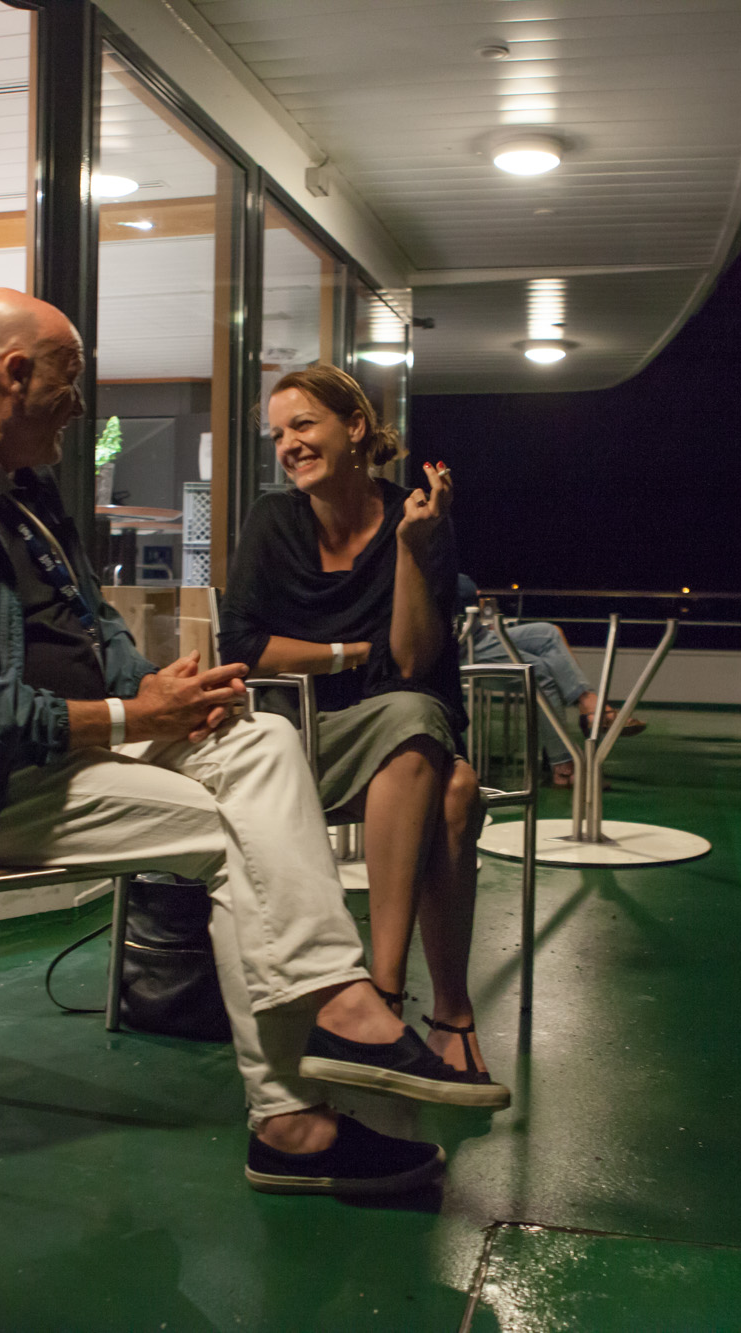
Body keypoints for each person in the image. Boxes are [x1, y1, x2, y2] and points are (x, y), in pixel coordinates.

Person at [0, 289, 496, 1198]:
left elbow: (93, 627)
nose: (80, 402)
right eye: (69, 378)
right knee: (235, 832)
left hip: (87, 747)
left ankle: (341, 1004)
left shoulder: (22, 493)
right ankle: (293, 1117)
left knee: (262, 737)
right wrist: (132, 718)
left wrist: (160, 689)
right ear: (16, 373)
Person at [219, 365, 508, 1109]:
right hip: (297, 741)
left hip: (405, 740)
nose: (287, 444)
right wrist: (350, 653)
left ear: (354, 428)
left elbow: (411, 661)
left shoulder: (418, 518)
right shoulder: (273, 520)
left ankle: (432, 1012)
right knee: (426, 742)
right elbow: (243, 647)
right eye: (277, 434)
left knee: (453, 783)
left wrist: (412, 547)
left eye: (302, 424)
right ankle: (394, 1001)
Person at [458, 574, 646, 786]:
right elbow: (457, 592)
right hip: (463, 649)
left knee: (549, 633)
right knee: (538, 672)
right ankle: (563, 764)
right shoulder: (432, 567)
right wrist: (471, 593)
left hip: (480, 635)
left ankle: (588, 703)